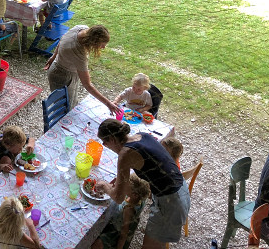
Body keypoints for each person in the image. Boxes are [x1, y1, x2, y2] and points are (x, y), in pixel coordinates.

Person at [96, 119, 189, 249]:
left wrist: (105, 186)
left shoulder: (125, 154)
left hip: (171, 202)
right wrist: (120, 180)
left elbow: (118, 198)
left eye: (104, 142)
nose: (104, 145)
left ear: (112, 139)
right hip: (180, 189)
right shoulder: (142, 135)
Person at [44, 24, 120, 115]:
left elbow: (62, 39)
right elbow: (87, 85)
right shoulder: (78, 52)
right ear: (94, 41)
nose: (103, 47)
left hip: (62, 69)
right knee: (63, 109)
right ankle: (59, 127)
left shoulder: (81, 28)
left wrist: (53, 57)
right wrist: (108, 103)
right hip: (62, 76)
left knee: (70, 103)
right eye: (102, 45)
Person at [92, 174, 151, 249]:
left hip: (116, 230)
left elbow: (124, 234)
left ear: (134, 195)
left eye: (126, 187)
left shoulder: (128, 210)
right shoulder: (140, 198)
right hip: (121, 220)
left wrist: (119, 247)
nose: (123, 186)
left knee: (97, 244)